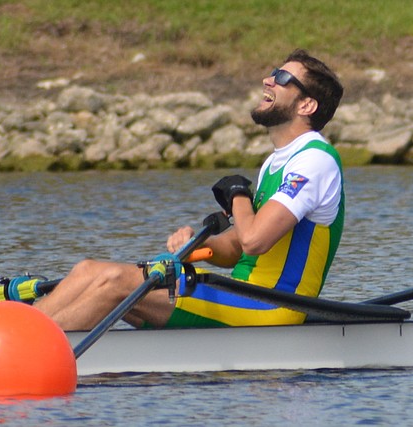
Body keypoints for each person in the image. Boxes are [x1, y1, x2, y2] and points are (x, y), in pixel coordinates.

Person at [35, 49, 345, 330]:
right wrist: (197, 247)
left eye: (281, 77)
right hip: (241, 295)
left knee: (114, 282)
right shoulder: (278, 162)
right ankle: (15, 336)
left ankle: (30, 353)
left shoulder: (314, 161)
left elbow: (253, 241)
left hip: (272, 307)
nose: (268, 79)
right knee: (89, 270)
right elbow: (236, 247)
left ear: (307, 104)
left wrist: (238, 195)